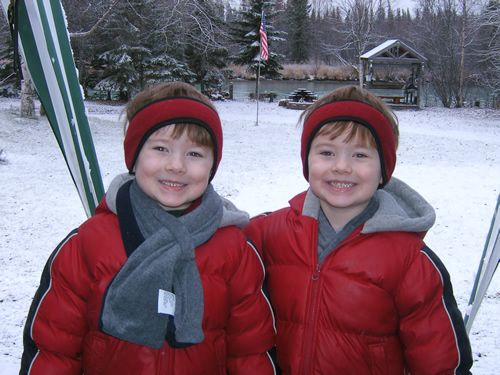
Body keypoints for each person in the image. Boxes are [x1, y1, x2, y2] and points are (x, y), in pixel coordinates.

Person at [20, 82, 276, 374]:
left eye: (194, 154)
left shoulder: (235, 250)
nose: (176, 165)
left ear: (212, 164)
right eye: (160, 148)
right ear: (134, 156)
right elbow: (54, 350)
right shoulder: (87, 244)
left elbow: (251, 353)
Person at [245, 85, 473, 374]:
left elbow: (441, 363)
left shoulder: (411, 262)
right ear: (307, 161)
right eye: (327, 152)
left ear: (383, 170)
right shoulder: (268, 234)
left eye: (360, 156)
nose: (342, 167)